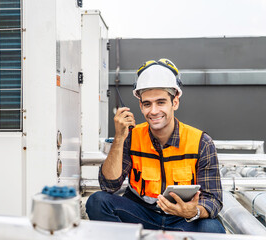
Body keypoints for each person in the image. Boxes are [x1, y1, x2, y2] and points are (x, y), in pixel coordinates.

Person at [86, 58, 225, 233]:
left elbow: (213, 199)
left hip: (182, 219)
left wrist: (193, 211)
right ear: (140, 105)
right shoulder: (131, 136)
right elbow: (109, 186)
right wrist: (119, 138)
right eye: (147, 104)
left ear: (175, 102)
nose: (153, 111)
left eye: (161, 102)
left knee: (212, 228)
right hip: (141, 214)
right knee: (98, 201)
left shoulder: (201, 142)